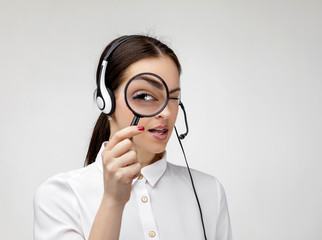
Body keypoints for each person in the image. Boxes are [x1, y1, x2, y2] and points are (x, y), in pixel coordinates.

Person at [33, 35, 232, 240]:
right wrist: (113, 201)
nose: (166, 112)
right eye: (144, 96)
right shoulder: (60, 196)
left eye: (173, 97)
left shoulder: (209, 191)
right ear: (106, 101)